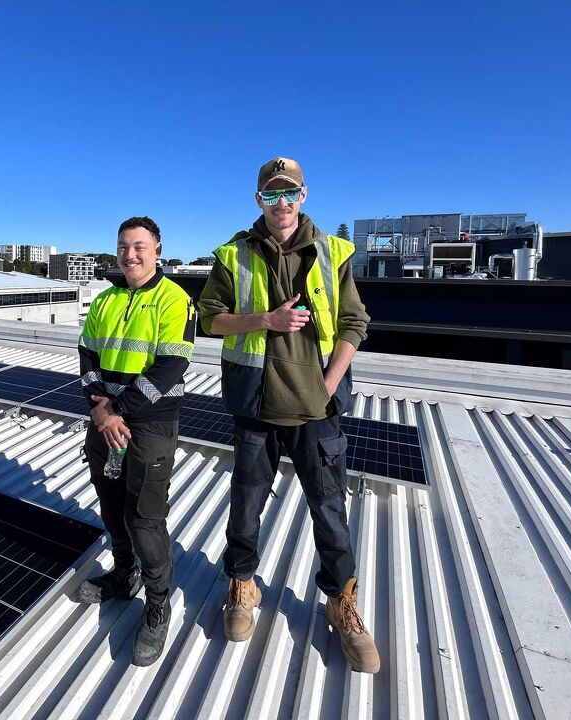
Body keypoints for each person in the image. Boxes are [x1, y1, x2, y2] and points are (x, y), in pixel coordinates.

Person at [197, 157, 380, 673]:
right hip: (256, 403)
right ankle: (242, 585)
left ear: (304, 196)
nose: (281, 203)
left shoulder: (333, 252)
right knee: (246, 505)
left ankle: (340, 602)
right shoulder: (234, 254)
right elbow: (209, 319)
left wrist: (327, 383)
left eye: (289, 193)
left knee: (329, 510)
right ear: (258, 200)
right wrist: (266, 319)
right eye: (270, 195)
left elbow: (354, 321)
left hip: (316, 408)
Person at [77, 216, 195, 667]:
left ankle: (159, 601)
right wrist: (99, 407)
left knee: (145, 517)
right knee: (110, 503)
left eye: (140, 246)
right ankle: (124, 575)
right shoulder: (105, 299)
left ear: (158, 248)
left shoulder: (175, 300)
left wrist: (117, 411)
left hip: (149, 425)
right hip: (105, 419)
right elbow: (87, 353)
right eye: (124, 246)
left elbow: (170, 367)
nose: (131, 254)